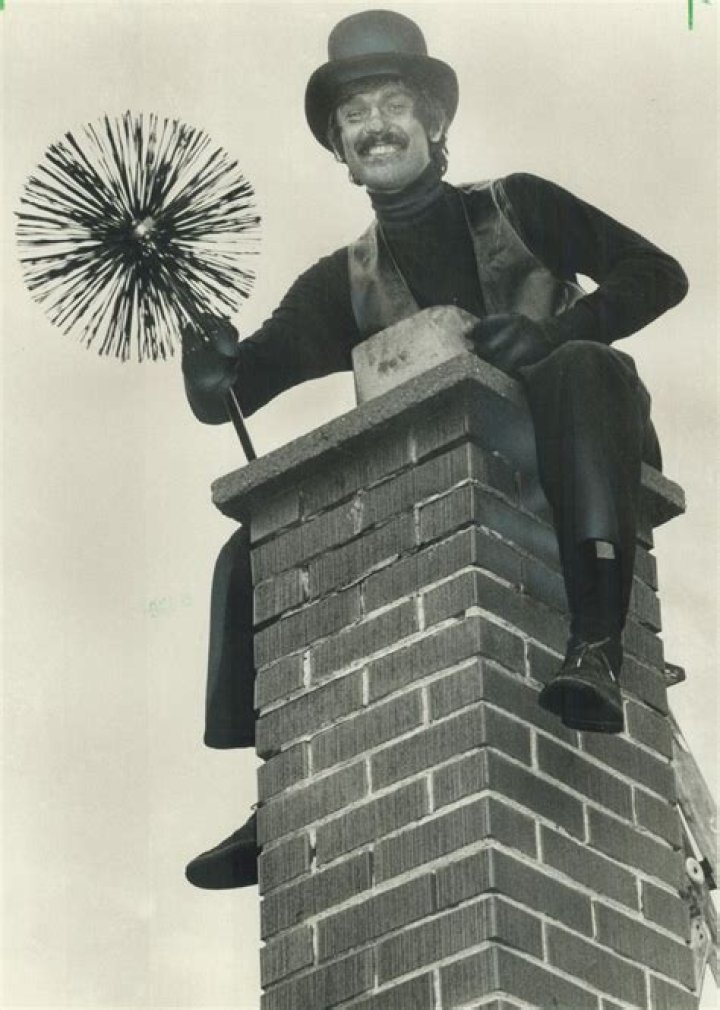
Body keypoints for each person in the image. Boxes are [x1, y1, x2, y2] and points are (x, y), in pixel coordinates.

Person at [181, 9, 688, 889]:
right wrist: (207, 366)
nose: (373, 126)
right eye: (353, 118)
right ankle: (282, 788)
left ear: (434, 121)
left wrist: (559, 333)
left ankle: (598, 650)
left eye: (391, 106)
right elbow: (236, 391)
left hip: (579, 442)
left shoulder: (518, 203)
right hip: (452, 474)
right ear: (341, 153)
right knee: (255, 537)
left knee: (583, 369)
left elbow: (659, 273)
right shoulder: (342, 279)